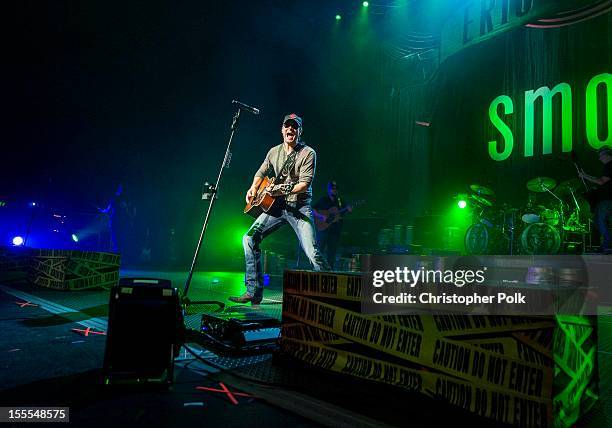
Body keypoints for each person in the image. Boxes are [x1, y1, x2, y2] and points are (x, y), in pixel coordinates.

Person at [229, 113, 329, 305]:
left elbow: (304, 185)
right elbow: (261, 172)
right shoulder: (273, 152)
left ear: (299, 131)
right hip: (276, 207)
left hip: (299, 208)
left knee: (312, 252)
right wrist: (253, 188)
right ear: (282, 129)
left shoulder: (308, 153)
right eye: (287, 126)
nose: (290, 129)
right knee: (248, 239)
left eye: (294, 127)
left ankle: (332, 293)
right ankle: (253, 291)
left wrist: (279, 189)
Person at [578, 147, 612, 253]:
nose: (599, 159)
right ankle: (606, 244)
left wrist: (585, 176)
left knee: (601, 221)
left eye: (600, 156)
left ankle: (608, 245)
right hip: (603, 200)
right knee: (597, 222)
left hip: (607, 200)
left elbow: (601, 181)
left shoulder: (610, 166)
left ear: (606, 155)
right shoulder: (607, 166)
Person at [313, 181, 351, 269]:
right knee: (320, 250)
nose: (334, 190)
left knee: (332, 253)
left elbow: (342, 214)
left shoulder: (340, 201)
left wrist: (348, 210)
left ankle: (329, 271)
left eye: (336, 188)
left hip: (335, 231)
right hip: (323, 229)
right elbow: (313, 210)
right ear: (329, 189)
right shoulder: (323, 200)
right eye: (332, 188)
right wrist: (321, 216)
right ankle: (317, 268)